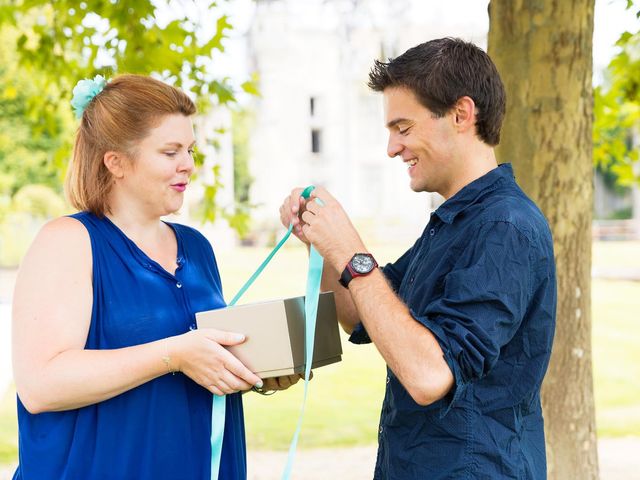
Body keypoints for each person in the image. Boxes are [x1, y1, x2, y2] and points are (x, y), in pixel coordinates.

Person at [280, 37, 556, 479]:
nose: (391, 148)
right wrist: (322, 243)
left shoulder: (505, 227)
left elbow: (429, 375)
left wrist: (352, 251)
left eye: (403, 128)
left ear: (462, 115)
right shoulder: (456, 221)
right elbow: (361, 314)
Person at [12, 73, 300, 480]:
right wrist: (176, 354)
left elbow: (198, 360)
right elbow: (41, 385)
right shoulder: (68, 241)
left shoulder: (197, 248)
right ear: (116, 162)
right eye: (170, 152)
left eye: (190, 150)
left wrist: (255, 372)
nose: (189, 165)